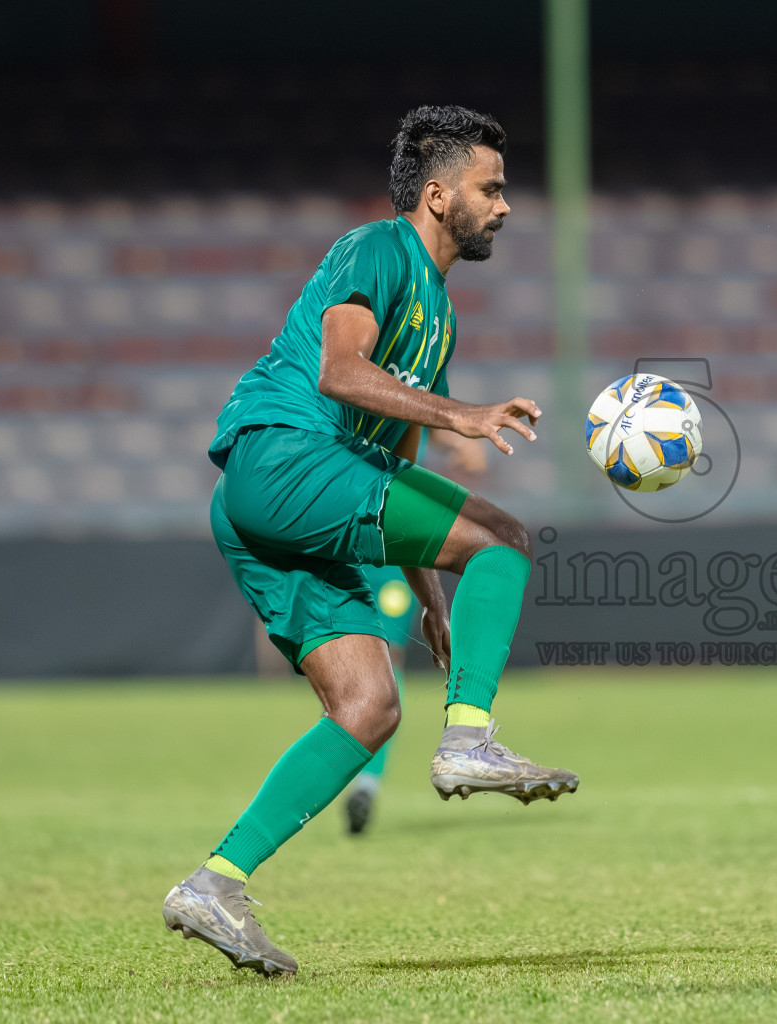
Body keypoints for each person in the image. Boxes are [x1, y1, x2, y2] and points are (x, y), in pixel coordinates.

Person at [162, 105, 577, 977]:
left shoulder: (439, 314)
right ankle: (469, 735)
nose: (505, 206)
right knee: (501, 537)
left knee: (369, 707)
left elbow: (395, 460)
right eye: (491, 188)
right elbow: (341, 373)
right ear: (437, 193)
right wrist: (464, 412)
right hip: (286, 456)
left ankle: (216, 882)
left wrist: (428, 591)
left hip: (270, 501)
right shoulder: (375, 251)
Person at [343, 430, 490, 836]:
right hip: (345, 535)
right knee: (352, 668)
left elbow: (424, 416)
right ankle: (356, 778)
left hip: (389, 545)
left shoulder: (412, 383)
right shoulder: (350, 379)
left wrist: (458, 440)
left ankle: (364, 784)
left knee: (383, 661)